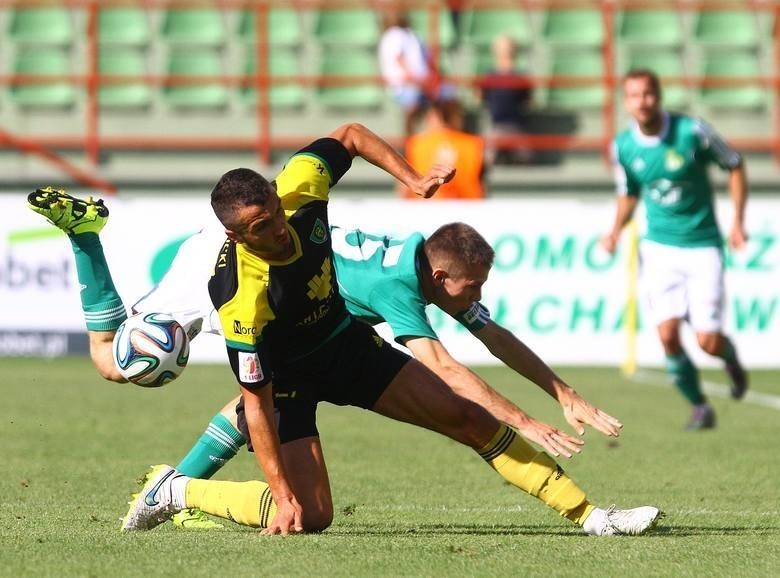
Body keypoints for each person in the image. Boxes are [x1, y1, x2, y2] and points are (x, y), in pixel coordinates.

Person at [115, 123, 661, 536]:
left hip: (347, 346)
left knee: (466, 417)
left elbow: (350, 135)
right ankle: (179, 489)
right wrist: (280, 493)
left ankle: (592, 516)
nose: (279, 232)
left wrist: (413, 177)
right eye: (261, 230)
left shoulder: (301, 186)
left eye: (277, 216)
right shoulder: (238, 296)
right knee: (309, 517)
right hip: (289, 378)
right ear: (235, 237)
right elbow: (255, 404)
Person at [27, 189, 629, 531]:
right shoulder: (400, 285)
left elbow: (492, 335)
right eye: (471, 288)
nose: (475, 299)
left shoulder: (428, 270)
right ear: (442, 276)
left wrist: (562, 391)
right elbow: (447, 367)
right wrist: (528, 420)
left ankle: (589, 516)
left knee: (466, 421)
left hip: (330, 343)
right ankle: (86, 235)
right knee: (117, 363)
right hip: (235, 284)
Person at [600, 69, 749, 431]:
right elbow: (630, 191)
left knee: (707, 342)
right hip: (660, 250)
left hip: (703, 247)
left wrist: (737, 222)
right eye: (634, 95)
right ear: (626, 101)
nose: (643, 102)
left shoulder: (692, 131)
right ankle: (700, 406)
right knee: (666, 335)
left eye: (648, 94)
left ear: (659, 95)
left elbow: (734, 164)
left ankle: (728, 357)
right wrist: (615, 231)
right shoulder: (622, 146)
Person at [378, 9, 458, 137]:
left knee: (450, 94)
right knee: (413, 101)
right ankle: (409, 145)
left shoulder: (412, 35)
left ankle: (453, 139)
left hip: (422, 82)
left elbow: (427, 62)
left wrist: (428, 80)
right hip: (404, 86)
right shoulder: (393, 35)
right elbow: (399, 60)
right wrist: (419, 81)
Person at [403, 100, 486, 199]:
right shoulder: (473, 143)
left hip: (424, 206)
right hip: (466, 206)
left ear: (433, 116)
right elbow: (481, 183)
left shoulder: (416, 143)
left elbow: (404, 186)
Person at [476, 34, 534, 165]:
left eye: (506, 48)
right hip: (497, 127)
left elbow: (528, 101)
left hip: (515, 128)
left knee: (527, 158)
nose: (504, 52)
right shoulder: (489, 77)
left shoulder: (521, 77)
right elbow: (479, 98)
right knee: (483, 159)